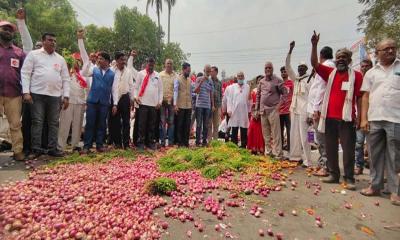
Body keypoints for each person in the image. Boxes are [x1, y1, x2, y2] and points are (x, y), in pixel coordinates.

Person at [310, 31, 363, 190]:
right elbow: (315, 64)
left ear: (349, 60)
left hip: (347, 119)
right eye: (338, 57)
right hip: (329, 118)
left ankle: (349, 178)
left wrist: (360, 117)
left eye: (344, 57)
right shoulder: (330, 73)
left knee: (348, 149)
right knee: (331, 147)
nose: (340, 60)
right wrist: (314, 45)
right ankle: (334, 174)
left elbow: (360, 97)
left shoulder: (357, 76)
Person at [360, 39, 400, 205]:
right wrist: (363, 118)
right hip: (375, 118)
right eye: (386, 49)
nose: (391, 51)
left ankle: (395, 191)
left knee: (394, 157)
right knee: (375, 155)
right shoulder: (371, 73)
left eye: (393, 48)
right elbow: (365, 96)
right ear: (377, 53)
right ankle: (375, 186)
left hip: (395, 119)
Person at [21, 32, 70, 158]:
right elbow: (25, 73)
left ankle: (52, 149)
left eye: (54, 40)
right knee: (37, 122)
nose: (53, 42)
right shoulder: (34, 55)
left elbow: (65, 78)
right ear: (43, 41)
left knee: (54, 122)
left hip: (55, 96)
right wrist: (26, 92)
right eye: (50, 40)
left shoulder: (60, 59)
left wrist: (66, 96)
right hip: (37, 94)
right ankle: (36, 149)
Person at [78, 30, 117, 153]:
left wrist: (115, 103)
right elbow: (83, 73)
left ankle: (100, 145)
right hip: (92, 101)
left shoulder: (112, 73)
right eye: (98, 59)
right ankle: (87, 146)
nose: (99, 60)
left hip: (104, 102)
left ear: (107, 61)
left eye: (101, 59)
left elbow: (114, 89)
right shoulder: (94, 69)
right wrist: (88, 61)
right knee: (90, 123)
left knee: (101, 124)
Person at [0, 11, 30, 161]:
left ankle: (18, 151)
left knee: (15, 124)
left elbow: (25, 74)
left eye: (10, 30)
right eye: (5, 29)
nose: (7, 32)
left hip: (14, 94)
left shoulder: (19, 53)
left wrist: (26, 92)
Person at [308, 46, 335, 177]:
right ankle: (322, 163)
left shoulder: (326, 67)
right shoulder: (329, 66)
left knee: (322, 139)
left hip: (320, 109)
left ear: (321, 55)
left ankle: (326, 166)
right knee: (320, 139)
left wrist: (316, 108)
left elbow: (322, 89)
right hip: (318, 109)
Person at [286, 41, 312, 167]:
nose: (300, 69)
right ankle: (295, 157)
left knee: (305, 136)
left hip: (304, 110)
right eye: (299, 68)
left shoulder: (309, 79)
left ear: (306, 69)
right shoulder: (295, 79)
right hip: (294, 109)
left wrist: (310, 113)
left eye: (302, 68)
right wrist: (290, 51)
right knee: (294, 134)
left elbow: (312, 97)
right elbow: (287, 67)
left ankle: (308, 160)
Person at [57, 52, 87, 151]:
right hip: (68, 102)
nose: (77, 64)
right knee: (64, 124)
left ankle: (75, 144)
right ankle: (60, 145)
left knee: (78, 124)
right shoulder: (65, 73)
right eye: (75, 61)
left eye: (78, 62)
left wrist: (85, 101)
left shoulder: (83, 74)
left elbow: (86, 88)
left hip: (80, 102)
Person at [256, 63, 286, 158]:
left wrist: (279, 106)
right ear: (264, 70)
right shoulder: (261, 81)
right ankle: (268, 152)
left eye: (269, 68)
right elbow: (258, 96)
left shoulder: (278, 80)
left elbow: (284, 94)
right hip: (263, 111)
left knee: (276, 133)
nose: (268, 69)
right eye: (266, 68)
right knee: (266, 134)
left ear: (272, 69)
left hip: (273, 110)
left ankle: (278, 153)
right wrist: (257, 109)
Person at [133, 57, 163, 150]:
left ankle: (150, 142)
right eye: (149, 64)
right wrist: (135, 97)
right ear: (147, 64)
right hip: (142, 103)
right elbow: (136, 87)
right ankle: (141, 143)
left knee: (152, 125)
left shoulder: (157, 75)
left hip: (154, 105)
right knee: (142, 124)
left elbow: (161, 90)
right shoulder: (140, 74)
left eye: (152, 64)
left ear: (154, 65)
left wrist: (160, 102)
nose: (151, 66)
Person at [109, 51, 136, 149]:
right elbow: (111, 86)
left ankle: (126, 143)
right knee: (115, 122)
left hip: (125, 98)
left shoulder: (128, 71)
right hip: (114, 98)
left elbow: (131, 86)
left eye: (124, 60)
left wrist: (132, 99)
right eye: (121, 60)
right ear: (116, 61)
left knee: (126, 122)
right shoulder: (111, 71)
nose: (123, 62)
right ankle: (118, 144)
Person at [354, 59, 373, 175]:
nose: (364, 68)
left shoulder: (374, 79)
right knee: (358, 143)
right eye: (362, 66)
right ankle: (359, 166)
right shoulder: (358, 81)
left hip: (373, 117)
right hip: (360, 117)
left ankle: (374, 169)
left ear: (371, 67)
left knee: (372, 146)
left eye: (367, 66)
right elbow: (357, 100)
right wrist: (358, 117)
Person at [225, 71, 250, 148]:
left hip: (244, 111)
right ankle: (234, 146)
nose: (240, 77)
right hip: (234, 111)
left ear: (244, 77)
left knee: (244, 129)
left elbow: (249, 100)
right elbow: (229, 99)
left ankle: (243, 145)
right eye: (239, 76)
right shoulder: (232, 87)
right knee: (234, 129)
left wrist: (249, 111)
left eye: (241, 76)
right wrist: (229, 110)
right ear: (237, 77)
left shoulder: (247, 87)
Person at [173, 62, 192, 147]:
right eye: (188, 71)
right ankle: (180, 143)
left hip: (188, 106)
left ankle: (186, 142)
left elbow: (191, 92)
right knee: (180, 125)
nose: (189, 72)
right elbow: (175, 91)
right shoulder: (177, 79)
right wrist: (175, 104)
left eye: (189, 71)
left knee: (187, 125)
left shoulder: (190, 80)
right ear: (183, 70)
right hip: (180, 105)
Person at [194, 65, 214, 146]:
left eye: (209, 71)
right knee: (199, 124)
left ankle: (204, 141)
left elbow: (211, 93)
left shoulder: (210, 81)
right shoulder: (198, 79)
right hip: (199, 105)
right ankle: (197, 141)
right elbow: (196, 91)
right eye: (207, 71)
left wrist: (212, 105)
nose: (208, 73)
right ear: (204, 70)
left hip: (207, 106)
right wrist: (201, 81)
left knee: (206, 124)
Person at [159, 59, 177, 147]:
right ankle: (162, 142)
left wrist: (175, 100)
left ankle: (170, 142)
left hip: (172, 102)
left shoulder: (175, 75)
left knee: (171, 122)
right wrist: (160, 99)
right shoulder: (160, 75)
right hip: (162, 102)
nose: (169, 65)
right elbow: (158, 88)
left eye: (170, 63)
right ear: (165, 65)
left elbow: (176, 89)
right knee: (162, 122)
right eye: (167, 63)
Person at [247, 75, 265, 154]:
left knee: (261, 131)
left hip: (262, 113)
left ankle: (261, 148)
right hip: (254, 113)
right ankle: (253, 148)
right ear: (257, 82)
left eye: (261, 80)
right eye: (258, 81)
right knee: (252, 130)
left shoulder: (265, 91)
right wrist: (254, 113)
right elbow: (249, 100)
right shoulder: (253, 90)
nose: (259, 82)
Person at [278, 66, 293, 152]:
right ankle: (281, 147)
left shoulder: (291, 83)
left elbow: (294, 95)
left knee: (289, 130)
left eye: (285, 71)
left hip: (288, 111)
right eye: (282, 72)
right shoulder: (279, 84)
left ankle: (290, 147)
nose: (284, 73)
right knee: (280, 130)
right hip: (280, 111)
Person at [208, 66, 222, 142]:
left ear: (216, 72)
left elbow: (221, 94)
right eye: (210, 71)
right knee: (209, 124)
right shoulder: (208, 81)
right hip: (209, 105)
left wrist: (220, 106)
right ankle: (209, 141)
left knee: (216, 124)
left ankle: (215, 141)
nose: (211, 73)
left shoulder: (219, 82)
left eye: (212, 71)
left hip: (217, 106)